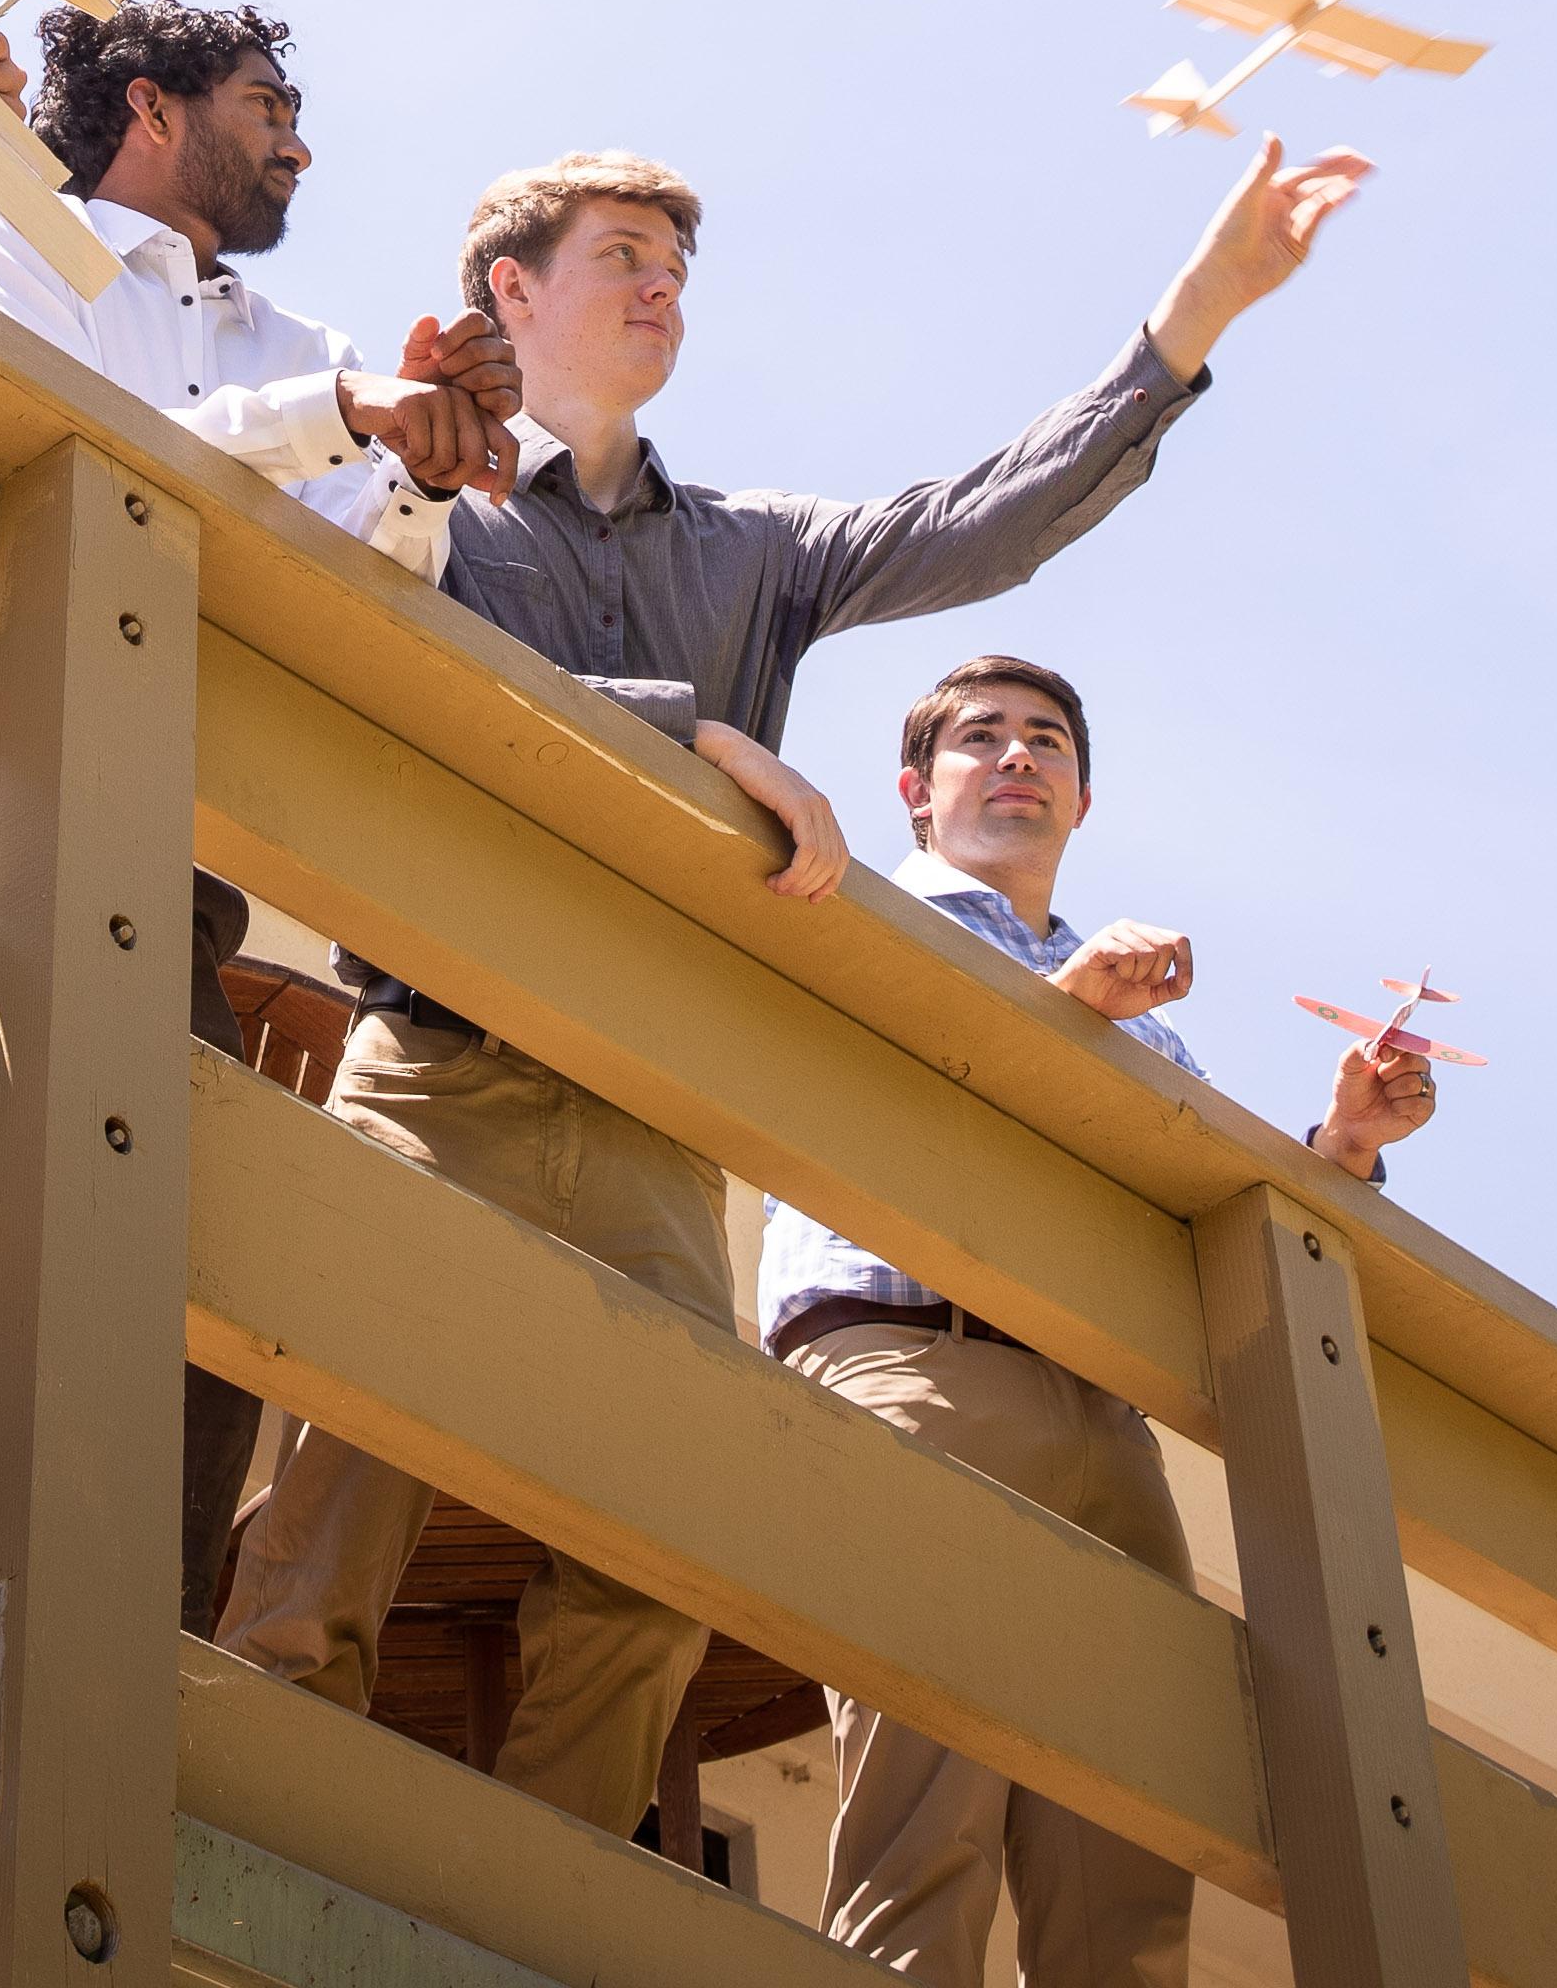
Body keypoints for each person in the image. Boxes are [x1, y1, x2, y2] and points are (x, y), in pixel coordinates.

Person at [216, 132, 1371, 1836]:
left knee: (671, 1536)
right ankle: (226, 1819)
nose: (663, 288)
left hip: (653, 1120)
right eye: (624, 255)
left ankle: (556, 1913)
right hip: (440, 1063)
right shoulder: (409, 489)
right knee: (344, 1475)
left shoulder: (757, 546)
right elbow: (415, 683)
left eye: (677, 267)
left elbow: (980, 526)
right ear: (509, 291)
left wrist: (1201, 307)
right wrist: (699, 737)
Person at [0, 0, 518, 1625]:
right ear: (152, 105)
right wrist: (348, 418)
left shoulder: (300, 349)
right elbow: (67, 441)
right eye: (269, 101)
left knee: (168, 1279)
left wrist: (422, 473)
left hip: (167, 828)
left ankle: (123, 1672)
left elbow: (359, 590)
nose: (302, 140)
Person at [761, 657, 1435, 1983]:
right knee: (923, 1811)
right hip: (910, 1352)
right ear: (916, 790)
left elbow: (1209, 1213)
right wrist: (1069, 1018)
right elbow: (910, 1102)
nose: (1017, 755)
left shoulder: (1151, 1032)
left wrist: (1343, 1142)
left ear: (1080, 798)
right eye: (980, 738)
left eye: (1047, 741)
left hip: (1101, 1413)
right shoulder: (862, 904)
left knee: (1129, 1857)